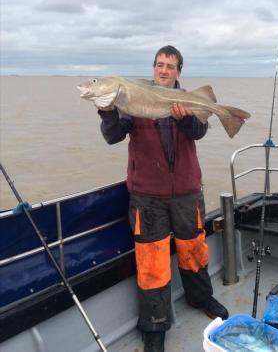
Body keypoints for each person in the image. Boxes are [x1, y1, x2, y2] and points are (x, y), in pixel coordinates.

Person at [97, 45, 228, 352]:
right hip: (147, 196)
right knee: (152, 262)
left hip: (186, 192)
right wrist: (107, 111)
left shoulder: (188, 99)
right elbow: (114, 136)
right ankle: (155, 324)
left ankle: (200, 297)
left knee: (194, 249)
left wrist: (184, 119)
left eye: (170, 66)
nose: (164, 70)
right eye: (159, 64)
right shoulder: (133, 98)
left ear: (178, 71)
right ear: (153, 68)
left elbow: (198, 132)